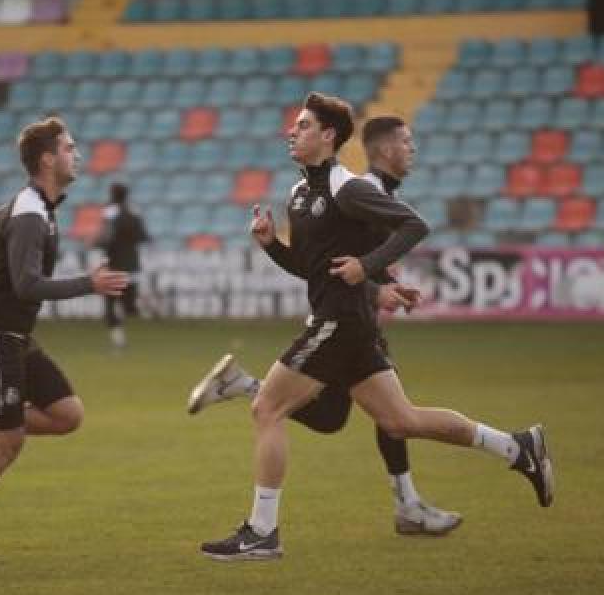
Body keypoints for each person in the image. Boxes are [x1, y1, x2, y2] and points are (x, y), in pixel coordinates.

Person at [200, 93, 554, 561]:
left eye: (303, 125)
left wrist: (366, 267)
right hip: (353, 327)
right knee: (401, 421)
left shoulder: (347, 187)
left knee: (267, 409)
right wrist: (270, 245)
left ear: (328, 136)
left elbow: (414, 226)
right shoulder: (299, 194)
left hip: (338, 323)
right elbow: (311, 269)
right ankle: (517, 447)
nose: (292, 131)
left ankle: (262, 532)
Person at [188, 115, 461, 536]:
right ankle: (414, 500)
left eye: (302, 126)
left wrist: (376, 280)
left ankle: (414, 499)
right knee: (376, 417)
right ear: (386, 148)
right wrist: (373, 285)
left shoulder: (354, 189)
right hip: (344, 322)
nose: (412, 149)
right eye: (407, 142)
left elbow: (352, 263)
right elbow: (329, 268)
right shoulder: (346, 190)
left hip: (350, 323)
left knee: (337, 417)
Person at [0, 116, 128, 551]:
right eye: (69, 148)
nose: (77, 155)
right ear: (47, 160)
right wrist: (88, 284)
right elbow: (26, 285)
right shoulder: (31, 215)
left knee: (68, 414)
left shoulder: (35, 207)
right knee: (9, 442)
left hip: (13, 335)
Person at [97, 182, 149, 349]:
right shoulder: (134, 212)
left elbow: (105, 239)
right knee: (130, 307)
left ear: (112, 194)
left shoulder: (109, 213)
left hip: (114, 266)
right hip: (132, 266)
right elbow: (144, 236)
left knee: (111, 304)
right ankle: (143, 311)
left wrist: (96, 242)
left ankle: (118, 338)